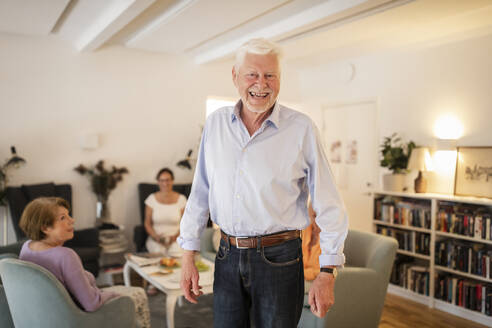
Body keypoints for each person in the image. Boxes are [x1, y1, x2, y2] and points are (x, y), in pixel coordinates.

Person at [178, 38, 348, 327]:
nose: (261, 83)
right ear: (235, 76)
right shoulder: (216, 124)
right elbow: (201, 192)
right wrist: (187, 256)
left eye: (270, 75)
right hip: (227, 255)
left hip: (280, 259)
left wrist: (327, 272)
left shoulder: (301, 128)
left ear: (279, 79)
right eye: (252, 75)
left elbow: (329, 202)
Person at [18, 197, 150, 328]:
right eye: (63, 218)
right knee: (137, 295)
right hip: (76, 319)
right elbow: (91, 304)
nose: (72, 220)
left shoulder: (27, 247)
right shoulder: (66, 256)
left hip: (44, 318)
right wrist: (113, 294)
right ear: (45, 228)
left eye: (68, 215)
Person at [144, 167, 186, 257]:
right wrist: (156, 237)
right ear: (158, 182)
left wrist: (175, 237)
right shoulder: (151, 199)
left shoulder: (182, 199)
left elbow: (185, 224)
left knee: (177, 255)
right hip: (157, 239)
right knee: (159, 256)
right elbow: (147, 223)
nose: (165, 183)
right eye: (162, 180)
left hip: (176, 239)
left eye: (167, 180)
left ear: (172, 181)